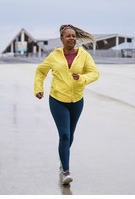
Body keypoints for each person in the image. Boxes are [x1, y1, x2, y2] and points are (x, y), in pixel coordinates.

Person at [34, 24, 99, 185]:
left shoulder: (83, 55)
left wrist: (82, 78)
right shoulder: (54, 55)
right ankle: (66, 171)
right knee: (64, 134)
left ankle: (62, 160)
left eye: (73, 36)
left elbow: (94, 73)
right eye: (68, 36)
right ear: (61, 39)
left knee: (70, 136)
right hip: (57, 100)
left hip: (77, 101)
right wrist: (38, 88)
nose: (71, 38)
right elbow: (41, 71)